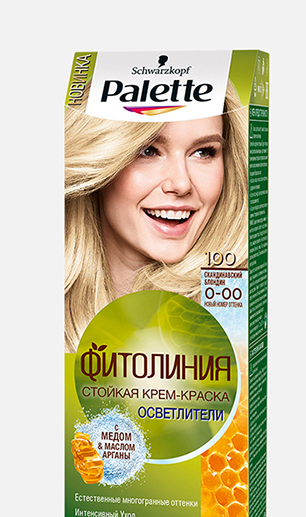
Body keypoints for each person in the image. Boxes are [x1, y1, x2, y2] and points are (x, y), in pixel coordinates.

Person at [64, 81, 249, 352]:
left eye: (204, 152)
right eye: (148, 151)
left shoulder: (235, 314)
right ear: (100, 157)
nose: (181, 184)